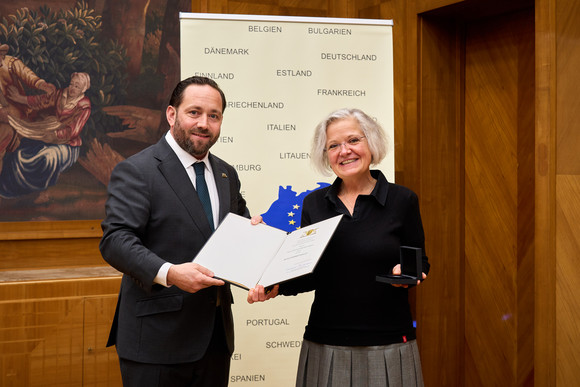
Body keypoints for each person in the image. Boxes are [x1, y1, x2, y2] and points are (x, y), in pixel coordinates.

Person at [248, 108, 430, 387]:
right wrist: (277, 285)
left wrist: (406, 273)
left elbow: (420, 263)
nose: (344, 151)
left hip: (389, 341)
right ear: (326, 155)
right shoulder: (314, 203)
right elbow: (312, 273)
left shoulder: (402, 200)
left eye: (354, 140)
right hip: (326, 342)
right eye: (333, 145)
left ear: (371, 143)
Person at [100, 76, 258, 387]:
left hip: (215, 341)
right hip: (156, 342)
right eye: (194, 112)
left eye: (214, 116)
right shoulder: (137, 170)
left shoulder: (227, 173)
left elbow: (237, 233)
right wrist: (170, 273)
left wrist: (258, 247)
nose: (204, 123)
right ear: (172, 114)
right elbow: (115, 241)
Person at [0, 72, 91, 197]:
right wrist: (19, 98)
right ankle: (8, 187)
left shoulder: (84, 107)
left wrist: (55, 135)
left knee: (46, 158)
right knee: (20, 152)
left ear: (83, 89)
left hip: (67, 144)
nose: (72, 88)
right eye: (71, 84)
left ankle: (36, 192)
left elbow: (73, 131)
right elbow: (42, 101)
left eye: (77, 86)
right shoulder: (61, 94)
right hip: (47, 133)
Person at [0, 42, 56, 172]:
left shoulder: (11, 63)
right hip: (3, 112)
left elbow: (27, 75)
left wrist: (42, 85)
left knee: (5, 131)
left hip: (14, 108)